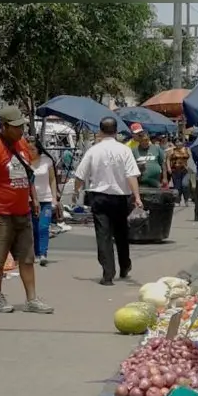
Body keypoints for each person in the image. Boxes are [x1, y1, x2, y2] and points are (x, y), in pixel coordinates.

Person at [0, 105, 53, 314]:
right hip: (1, 214)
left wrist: (34, 198)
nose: (21, 130)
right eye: (17, 127)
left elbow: (27, 175)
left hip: (22, 212)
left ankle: (31, 299)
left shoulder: (22, 144)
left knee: (27, 258)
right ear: (4, 126)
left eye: (22, 126)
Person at [73, 116, 144, 285]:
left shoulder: (93, 151)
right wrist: (137, 197)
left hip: (99, 197)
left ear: (100, 131)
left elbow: (80, 175)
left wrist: (76, 191)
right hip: (121, 198)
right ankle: (125, 265)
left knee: (103, 235)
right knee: (121, 233)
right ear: (116, 131)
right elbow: (131, 175)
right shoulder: (124, 150)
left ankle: (108, 273)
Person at [30, 142, 62, 266]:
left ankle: (43, 254)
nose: (30, 151)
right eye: (27, 149)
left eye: (32, 149)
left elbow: (52, 179)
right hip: (30, 200)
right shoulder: (24, 160)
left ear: (38, 149)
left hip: (46, 199)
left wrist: (54, 197)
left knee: (43, 227)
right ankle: (36, 253)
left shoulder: (47, 161)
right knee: (34, 228)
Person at [168, 137, 191, 205]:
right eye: (176, 142)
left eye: (179, 142)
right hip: (175, 170)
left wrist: (190, 167)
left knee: (185, 185)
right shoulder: (172, 150)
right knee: (177, 186)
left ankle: (186, 199)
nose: (178, 143)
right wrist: (169, 168)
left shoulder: (187, 149)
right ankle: (177, 201)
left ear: (182, 142)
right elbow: (168, 159)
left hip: (185, 170)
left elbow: (191, 158)